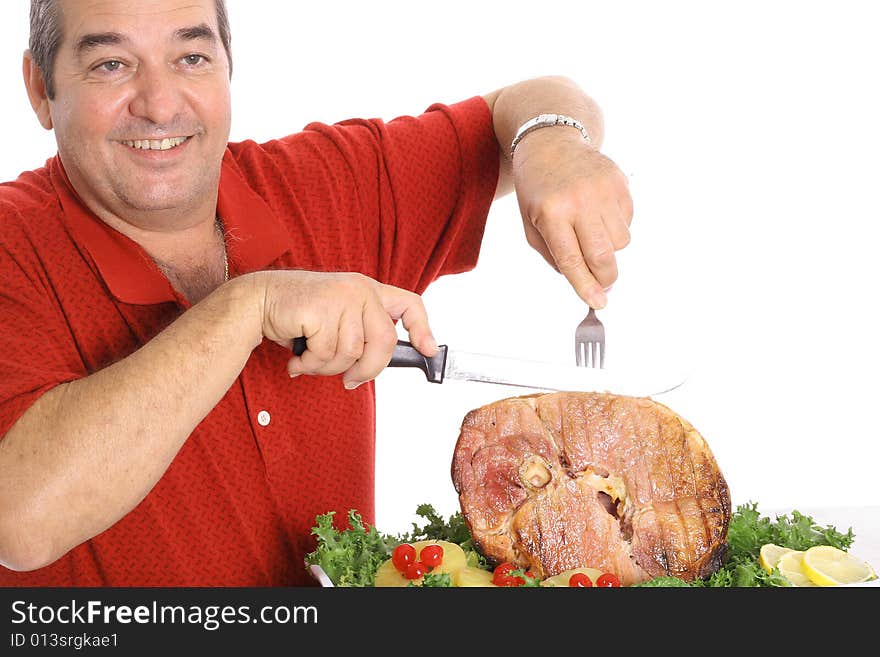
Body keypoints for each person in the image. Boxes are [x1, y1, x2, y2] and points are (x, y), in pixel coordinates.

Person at [0, 0, 633, 586]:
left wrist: (552, 145)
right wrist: (250, 306)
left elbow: (526, 103)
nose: (161, 105)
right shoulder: (12, 248)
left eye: (191, 56)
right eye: (111, 64)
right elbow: (20, 522)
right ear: (41, 90)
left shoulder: (326, 185)